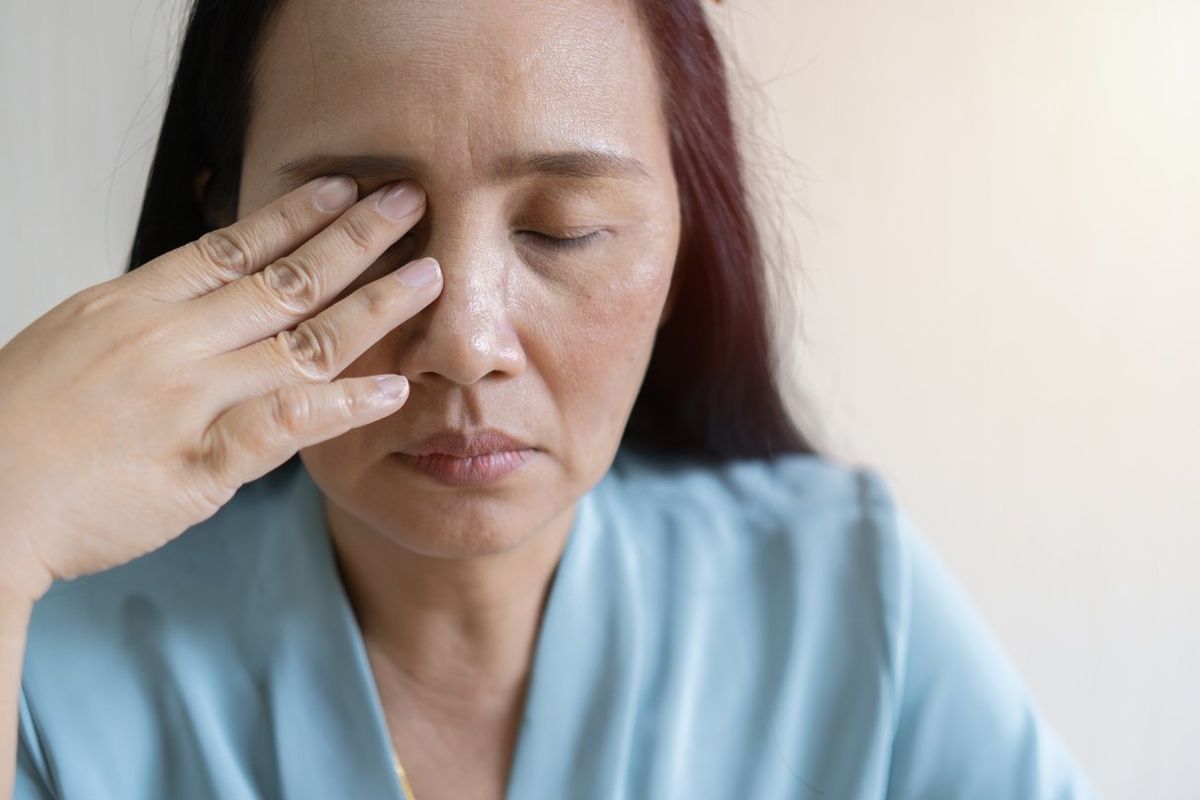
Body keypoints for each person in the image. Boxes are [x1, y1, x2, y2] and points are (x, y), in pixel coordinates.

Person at [0, 0, 1099, 797]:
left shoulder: (848, 599)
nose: (466, 342)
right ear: (223, 231)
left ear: (684, 241)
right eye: (362, 225)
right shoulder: (48, 655)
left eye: (563, 230)